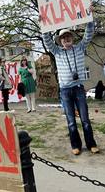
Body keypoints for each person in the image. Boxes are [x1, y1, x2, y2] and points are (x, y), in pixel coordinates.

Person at [42, 20, 100, 155]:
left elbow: (88, 35)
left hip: (78, 88)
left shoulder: (80, 48)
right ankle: (76, 145)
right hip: (65, 91)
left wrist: (90, 19)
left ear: (72, 38)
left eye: (68, 36)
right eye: (63, 37)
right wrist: (44, 24)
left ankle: (91, 144)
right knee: (71, 121)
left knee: (85, 119)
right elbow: (47, 40)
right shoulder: (56, 52)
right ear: (60, 41)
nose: (66, 39)